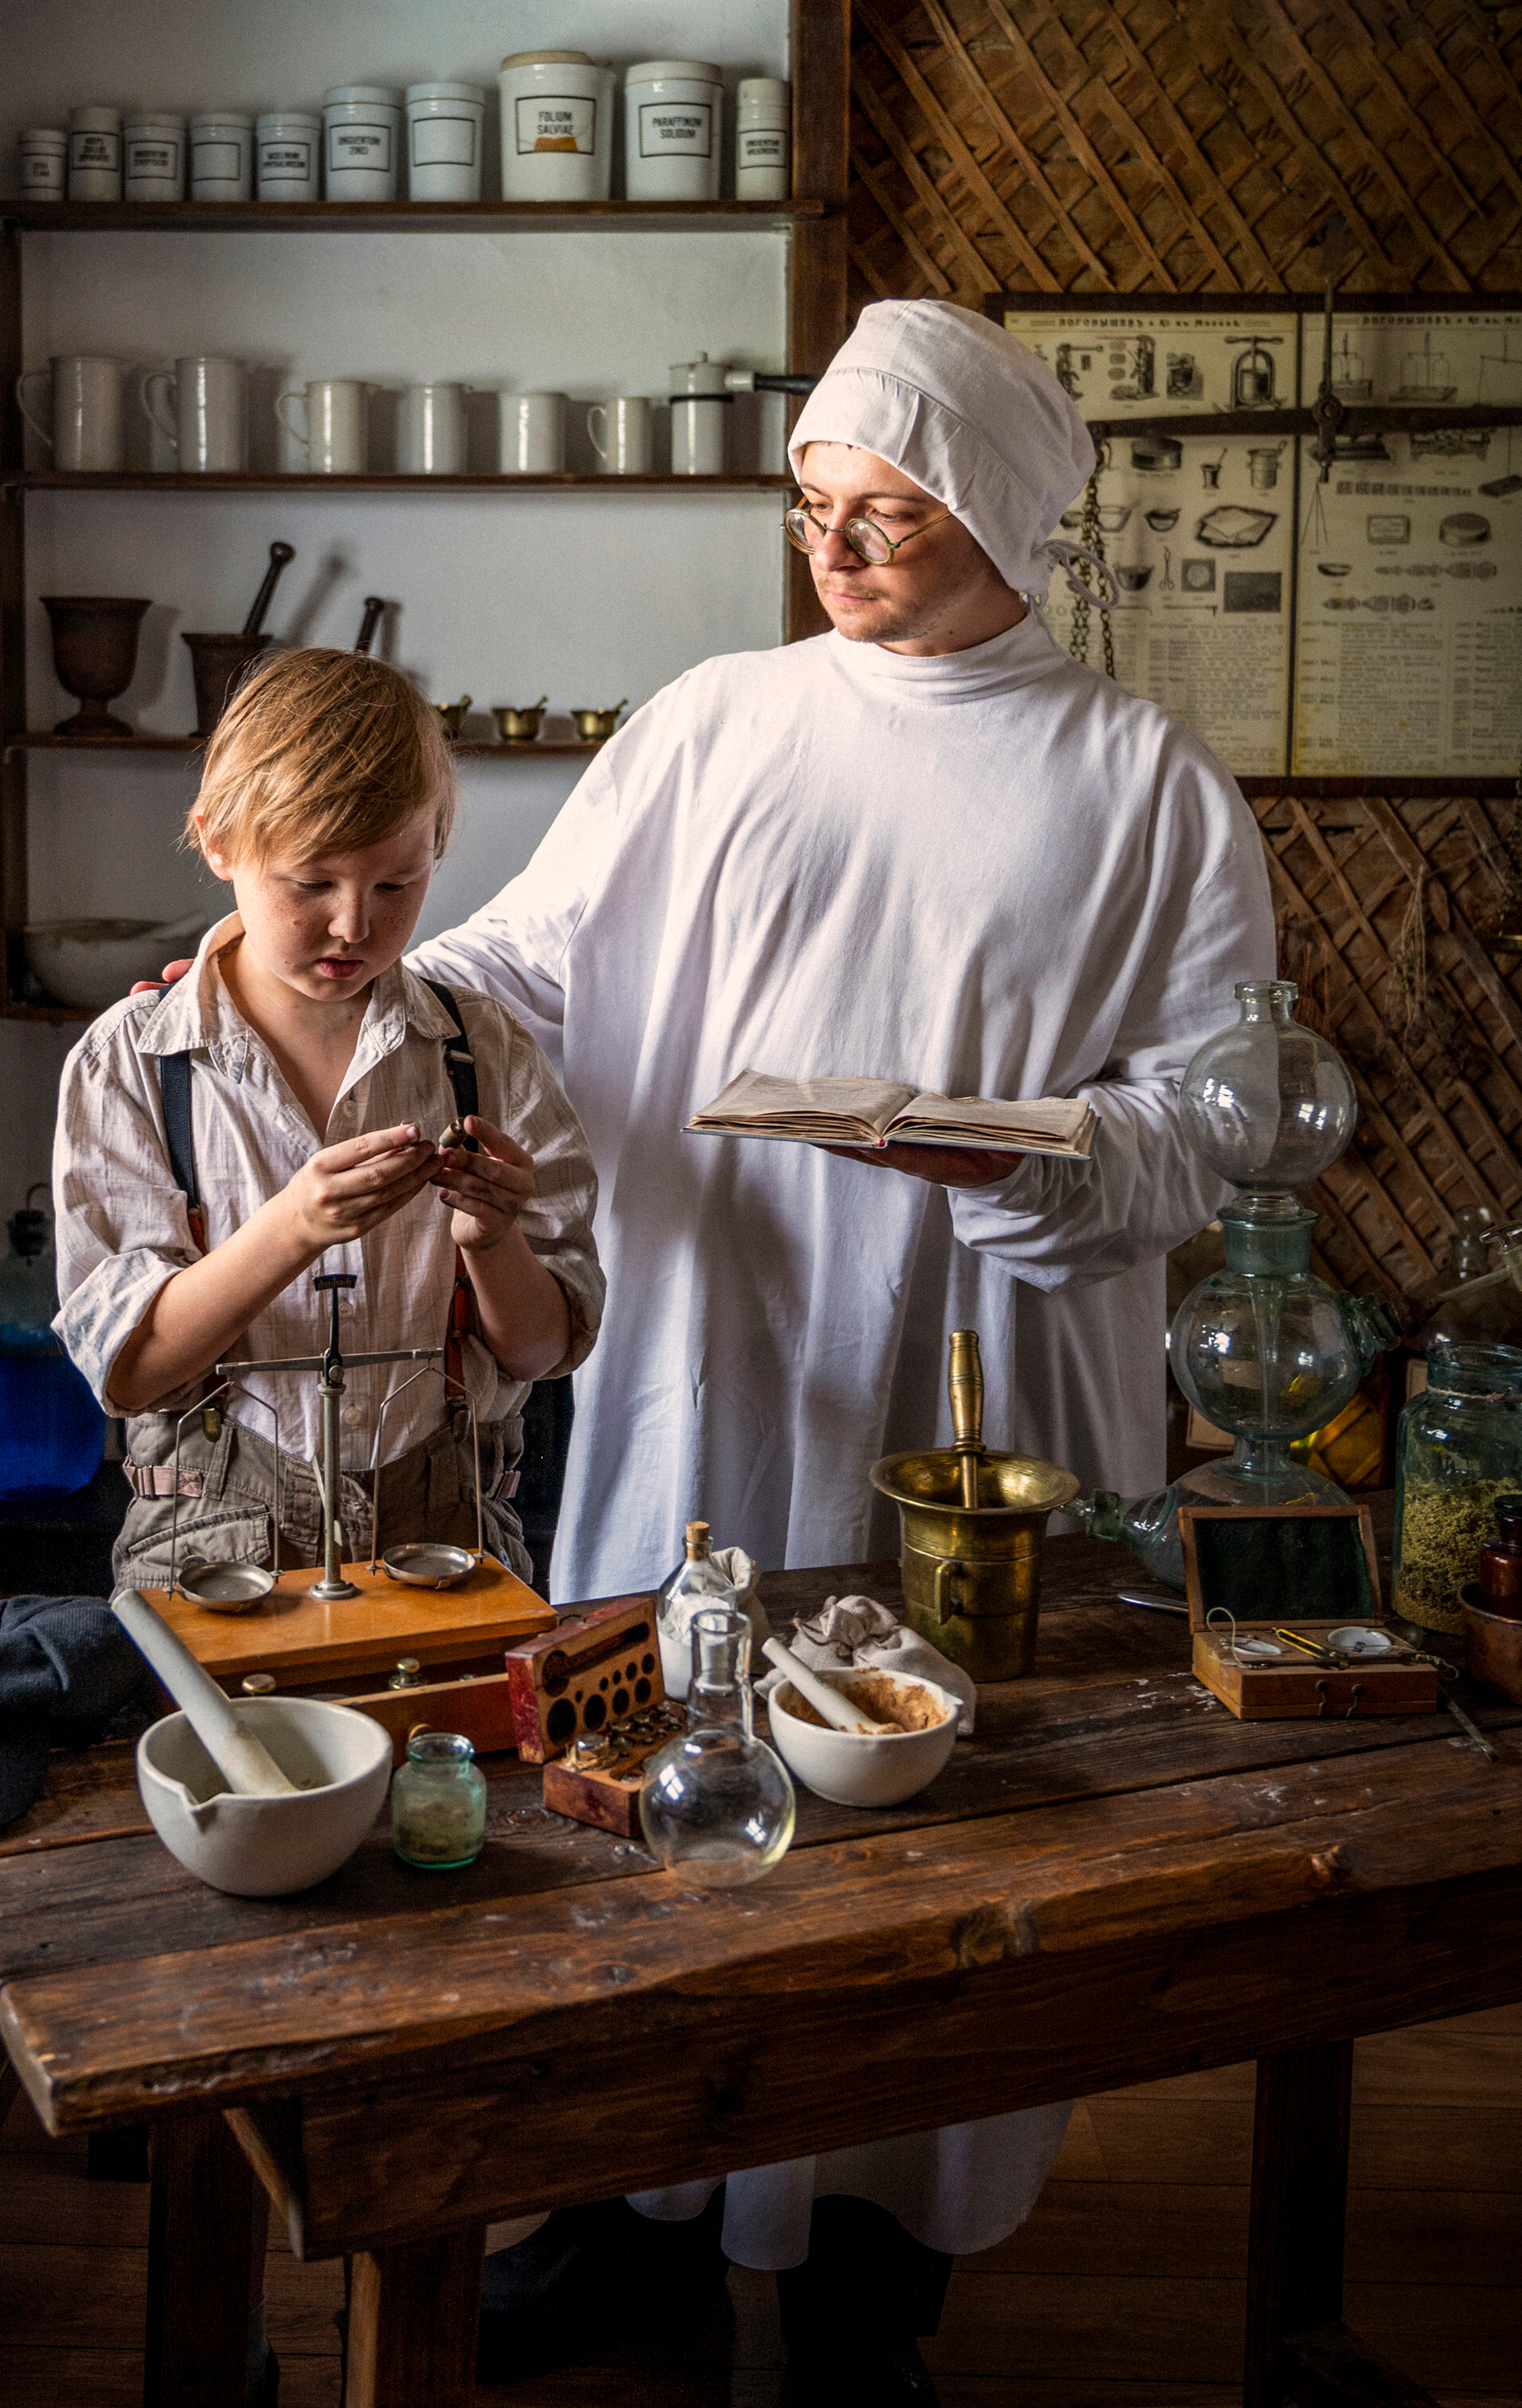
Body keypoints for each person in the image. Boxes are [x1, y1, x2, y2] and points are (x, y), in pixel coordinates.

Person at [415, 299, 1278, 2397]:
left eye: (885, 509)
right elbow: (529, 953)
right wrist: (343, 972)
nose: (838, 545)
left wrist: (1001, 1144)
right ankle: (635, 2222)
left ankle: (873, 2275)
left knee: (943, 1813)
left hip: (982, 1352)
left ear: (993, 509)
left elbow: (1222, 1109)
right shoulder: (715, 719)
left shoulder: (1137, 780)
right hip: (716, 1336)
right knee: (656, 1739)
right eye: (813, 505)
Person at [52, 647, 602, 1588]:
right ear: (218, 841)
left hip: (448, 1528)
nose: (354, 925)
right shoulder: (135, 1062)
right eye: (310, 883)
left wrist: (492, 1237)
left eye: (396, 885)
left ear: (436, 849)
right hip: (209, 1545)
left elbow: (544, 1351)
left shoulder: (483, 1054)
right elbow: (132, 1374)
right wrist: (294, 1227)